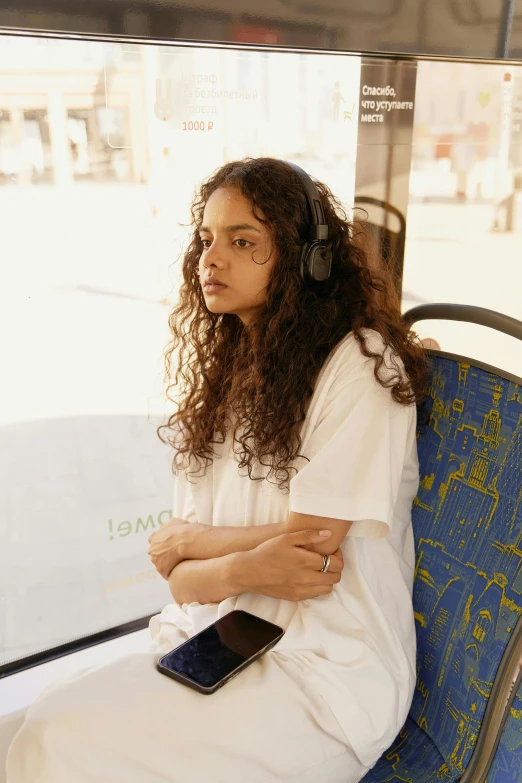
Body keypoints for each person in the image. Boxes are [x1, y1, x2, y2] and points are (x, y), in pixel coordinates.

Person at [6, 158, 428, 783]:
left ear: (306, 258)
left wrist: (205, 552)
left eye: (243, 242)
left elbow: (309, 557)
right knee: (42, 725)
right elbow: (179, 582)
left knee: (57, 742)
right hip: (219, 639)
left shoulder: (360, 366)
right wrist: (233, 567)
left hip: (323, 673)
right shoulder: (234, 368)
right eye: (206, 239)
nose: (211, 258)